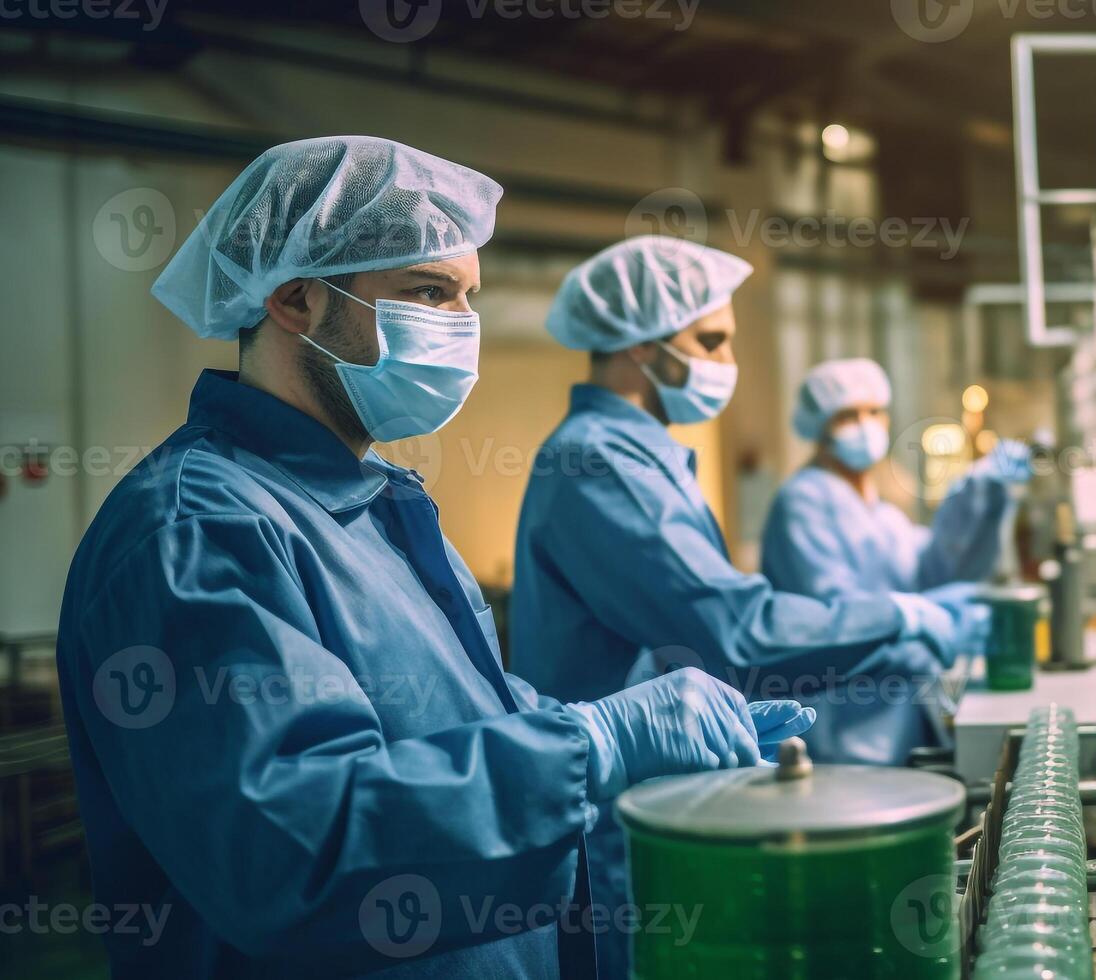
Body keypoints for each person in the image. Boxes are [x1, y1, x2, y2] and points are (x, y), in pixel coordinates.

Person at [55, 138, 812, 979]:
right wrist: (591, 745)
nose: (459, 330)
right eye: (426, 294)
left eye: (467, 298)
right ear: (296, 300)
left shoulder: (376, 498)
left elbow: (465, 713)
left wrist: (624, 736)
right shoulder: (195, 529)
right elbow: (293, 848)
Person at [511, 236, 962, 976]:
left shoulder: (642, 455)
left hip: (660, 800)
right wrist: (902, 617)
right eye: (711, 340)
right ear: (640, 345)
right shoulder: (599, 461)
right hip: (622, 815)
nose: (727, 362)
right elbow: (738, 630)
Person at [761, 357, 1031, 603]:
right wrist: (914, 616)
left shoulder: (882, 512)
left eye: (874, 412)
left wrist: (975, 496)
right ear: (819, 429)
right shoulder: (804, 502)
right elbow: (834, 611)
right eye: (847, 416)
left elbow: (930, 570)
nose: (865, 425)